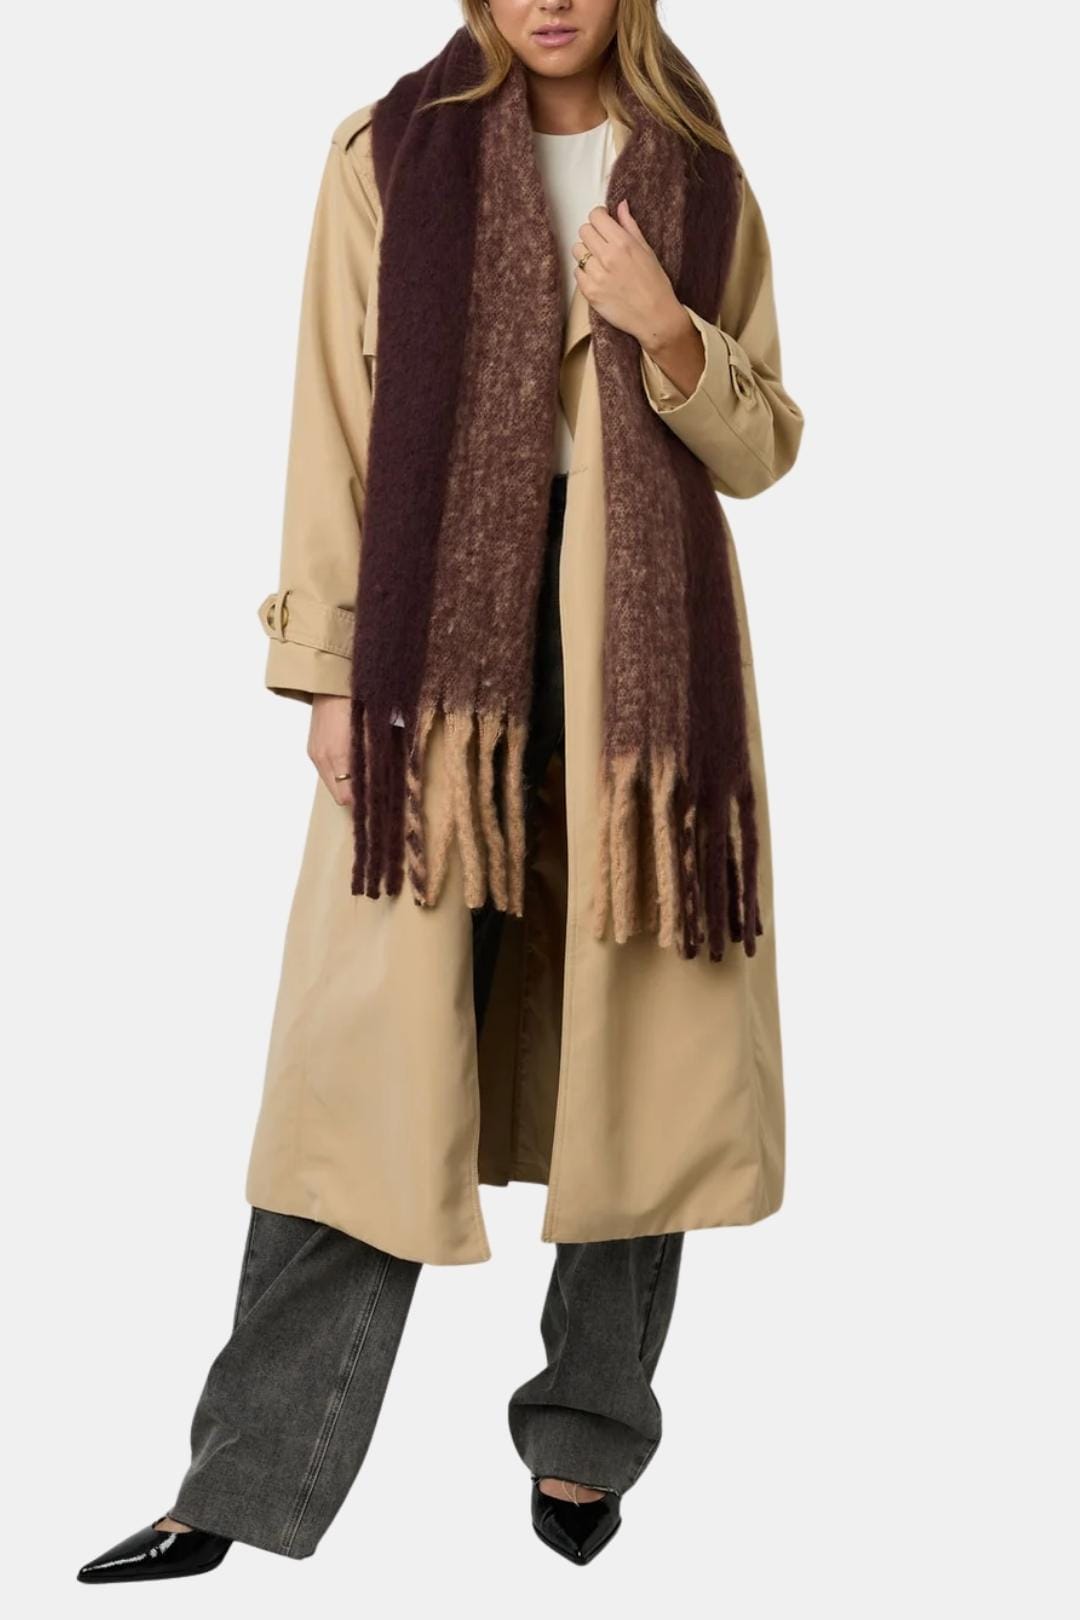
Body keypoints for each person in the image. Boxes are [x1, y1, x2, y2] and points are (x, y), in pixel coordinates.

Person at [77, 0, 803, 1582]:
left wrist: (667, 326)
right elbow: (330, 427)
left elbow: (760, 447)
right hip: (432, 667)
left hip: (638, 669)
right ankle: (242, 1480)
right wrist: (329, 674)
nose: (549, 1)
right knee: (363, 1074)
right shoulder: (386, 155)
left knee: (639, 1062)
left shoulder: (699, 169)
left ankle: (587, 1437)